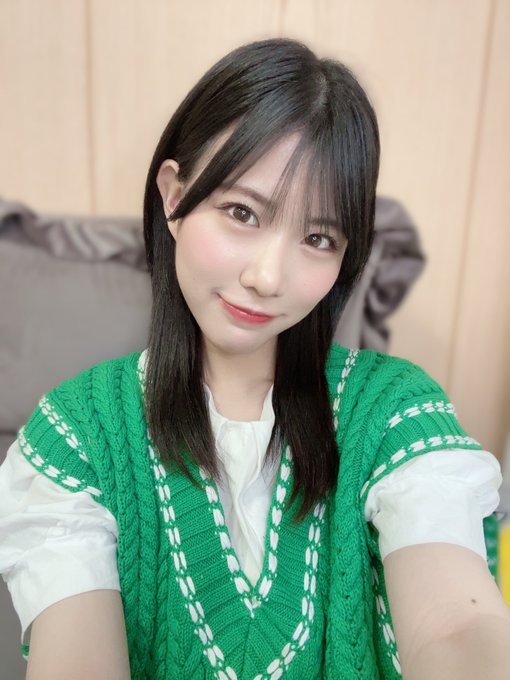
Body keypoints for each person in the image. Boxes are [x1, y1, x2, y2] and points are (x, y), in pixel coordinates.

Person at [0, 38, 509, 680]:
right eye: (242, 212)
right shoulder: (77, 434)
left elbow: (456, 624)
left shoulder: (393, 412)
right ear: (174, 197)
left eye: (318, 237)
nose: (268, 277)